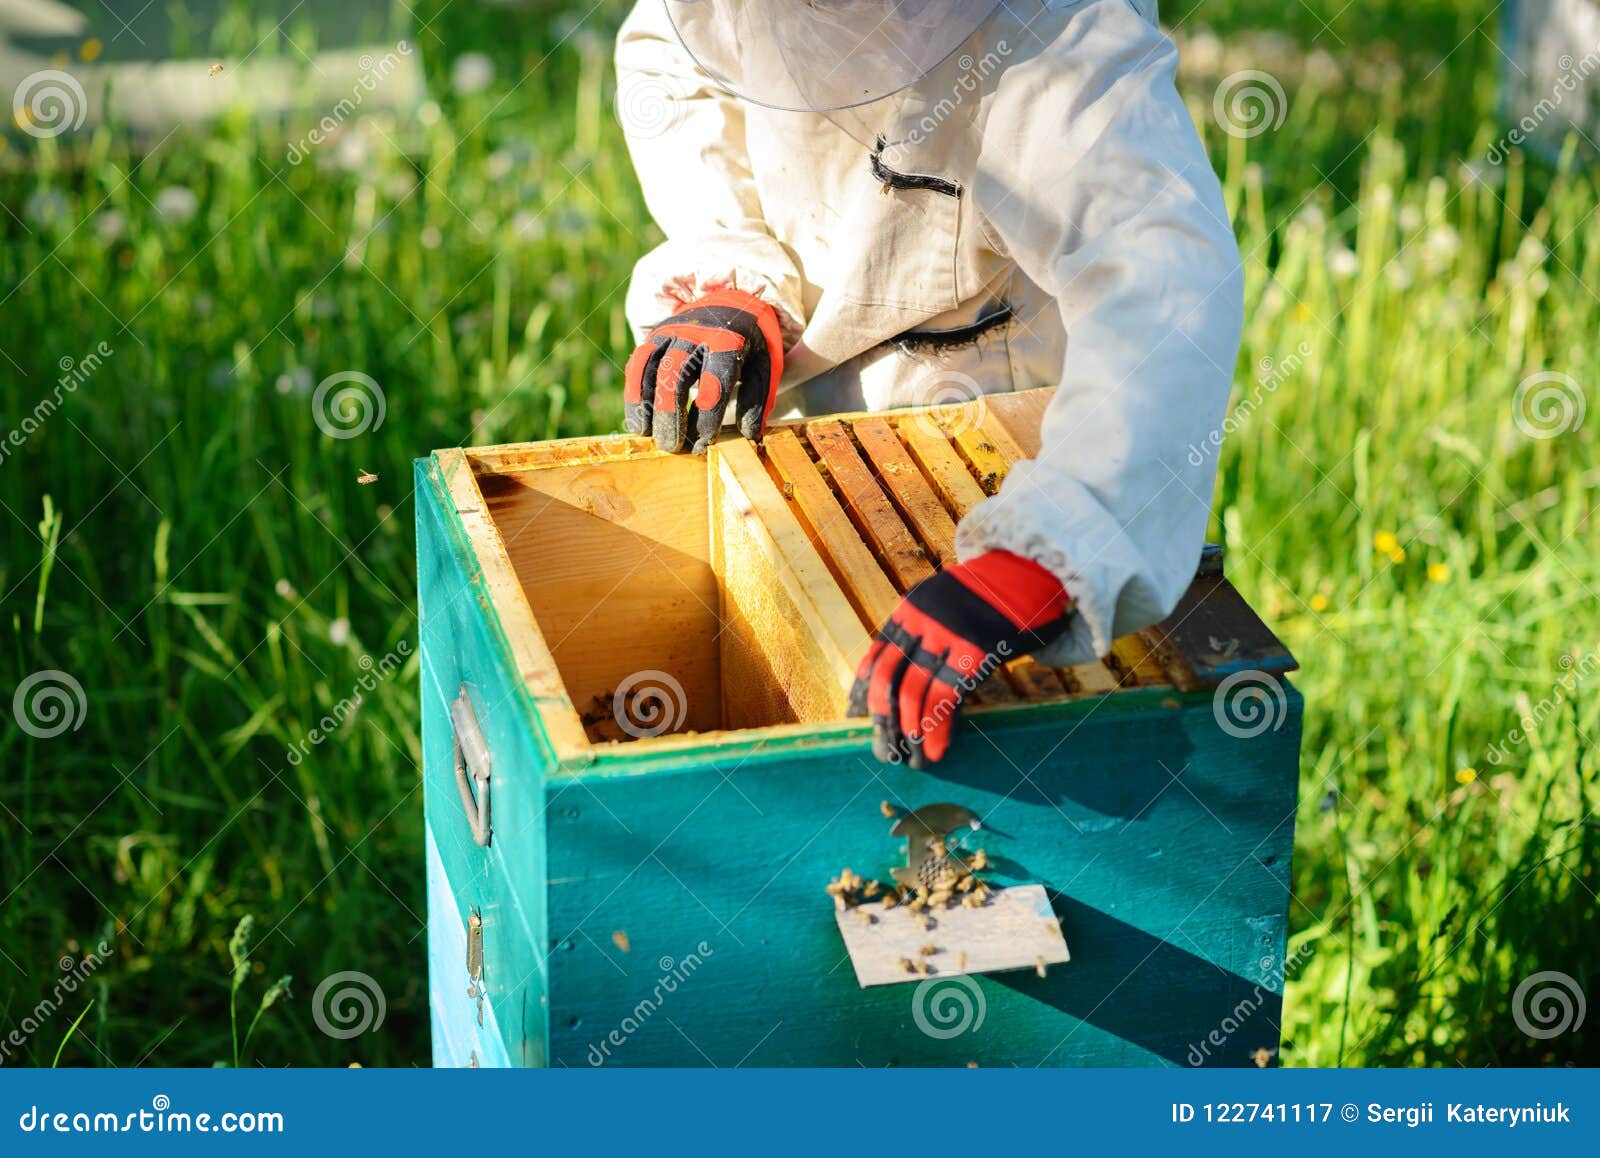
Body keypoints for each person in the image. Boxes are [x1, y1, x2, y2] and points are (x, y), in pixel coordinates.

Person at [617, 0, 1241, 767]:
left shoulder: (1053, 36)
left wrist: (1055, 544)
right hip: (833, 438)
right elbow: (674, 62)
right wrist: (730, 266)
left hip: (1009, 436)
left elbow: (1160, 278)